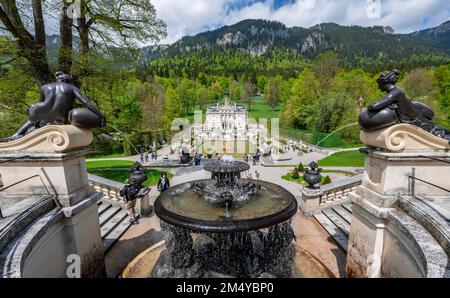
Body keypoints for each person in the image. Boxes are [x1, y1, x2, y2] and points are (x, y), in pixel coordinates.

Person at [2, 71, 105, 141]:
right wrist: (100, 115)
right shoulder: (71, 87)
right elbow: (87, 103)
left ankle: (17, 134)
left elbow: (41, 102)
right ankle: (22, 132)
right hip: (62, 116)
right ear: (68, 80)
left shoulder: (45, 87)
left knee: (34, 118)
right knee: (64, 115)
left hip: (40, 112)